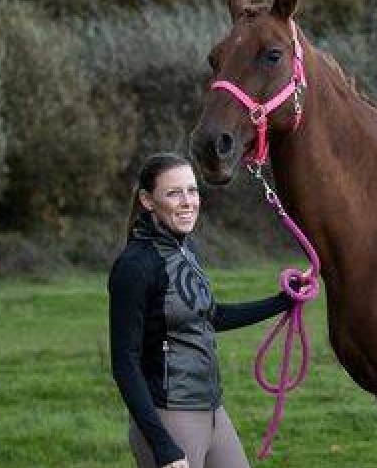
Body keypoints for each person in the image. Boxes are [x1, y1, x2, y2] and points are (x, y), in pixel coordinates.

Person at [109, 152, 293, 468]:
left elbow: (209, 317)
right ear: (147, 200)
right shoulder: (134, 266)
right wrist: (162, 444)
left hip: (211, 409)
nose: (187, 201)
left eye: (192, 190)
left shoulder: (186, 249)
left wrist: (282, 302)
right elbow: (124, 361)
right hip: (169, 416)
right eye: (173, 192)